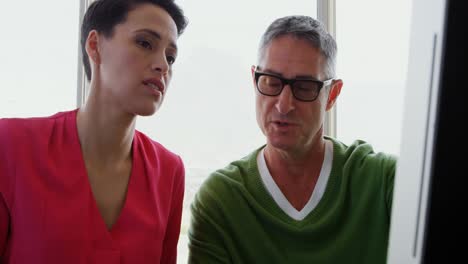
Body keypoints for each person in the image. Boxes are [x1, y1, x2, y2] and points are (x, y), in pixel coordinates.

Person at [188, 15, 396, 263]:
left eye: (305, 87)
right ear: (254, 81)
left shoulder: (383, 181)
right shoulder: (222, 200)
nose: (284, 105)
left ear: (332, 94)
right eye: (271, 82)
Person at [0, 0, 187, 263]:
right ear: (95, 46)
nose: (162, 65)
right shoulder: (11, 145)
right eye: (145, 43)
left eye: (171, 57)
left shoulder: (169, 171)